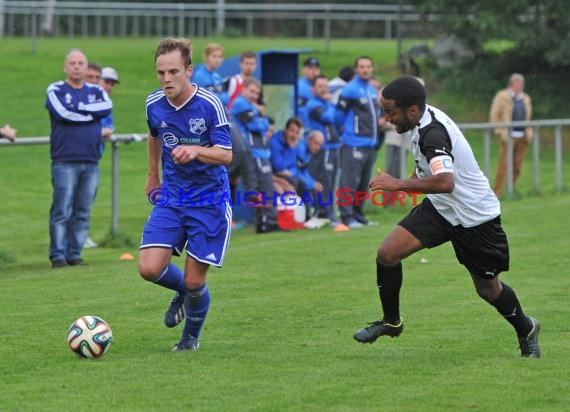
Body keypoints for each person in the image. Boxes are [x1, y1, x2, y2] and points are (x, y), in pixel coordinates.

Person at [353, 76, 541, 358]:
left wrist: (398, 184)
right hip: (442, 208)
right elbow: (432, 174)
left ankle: (526, 328)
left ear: (413, 110)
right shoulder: (420, 121)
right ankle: (391, 322)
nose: (386, 117)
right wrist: (411, 179)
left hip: (475, 218)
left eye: (390, 111)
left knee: (488, 289)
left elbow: (445, 182)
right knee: (388, 254)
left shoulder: (433, 133)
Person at [138, 38, 232, 352]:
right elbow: (154, 136)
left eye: (173, 72)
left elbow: (226, 155)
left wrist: (195, 150)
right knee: (149, 268)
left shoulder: (209, 104)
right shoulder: (153, 104)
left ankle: (190, 338)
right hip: (173, 196)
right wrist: (153, 175)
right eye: (161, 73)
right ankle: (183, 292)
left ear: (189, 70)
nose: (166, 79)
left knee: (195, 281)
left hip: (209, 200)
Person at [45, 49, 112, 268]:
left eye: (80, 63)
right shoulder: (55, 89)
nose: (76, 66)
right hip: (64, 161)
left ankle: (75, 254)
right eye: (72, 63)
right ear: (66, 67)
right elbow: (62, 113)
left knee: (83, 211)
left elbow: (107, 107)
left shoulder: (96, 90)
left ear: (86, 68)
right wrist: (91, 114)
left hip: (91, 161)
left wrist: (79, 108)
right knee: (62, 210)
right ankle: (58, 255)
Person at [335, 56, 381, 228]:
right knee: (349, 181)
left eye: (368, 66)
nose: (365, 69)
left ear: (372, 69)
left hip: (370, 143)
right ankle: (346, 217)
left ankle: (358, 214)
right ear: (356, 69)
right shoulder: (349, 90)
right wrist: (346, 134)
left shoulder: (370, 89)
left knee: (363, 182)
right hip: (354, 142)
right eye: (362, 66)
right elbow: (337, 116)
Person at [231, 77, 279, 233]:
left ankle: (265, 223)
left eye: (257, 93)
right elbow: (256, 125)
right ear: (243, 88)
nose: (254, 95)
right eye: (252, 91)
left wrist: (260, 117)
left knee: (262, 188)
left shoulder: (251, 106)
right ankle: (267, 223)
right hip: (252, 151)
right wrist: (260, 115)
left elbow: (263, 124)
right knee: (265, 187)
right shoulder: (240, 104)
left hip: (257, 150)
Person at [302, 74, 341, 224]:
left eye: (326, 86)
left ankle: (328, 213)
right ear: (313, 89)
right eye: (320, 86)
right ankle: (324, 213)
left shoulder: (325, 104)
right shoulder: (313, 105)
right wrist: (330, 102)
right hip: (322, 149)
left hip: (333, 148)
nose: (325, 90)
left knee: (331, 181)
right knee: (324, 182)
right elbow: (328, 118)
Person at [490, 73, 533, 197]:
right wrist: (499, 131)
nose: (521, 86)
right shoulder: (502, 96)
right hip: (507, 136)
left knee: (517, 166)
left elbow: (528, 116)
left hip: (523, 136)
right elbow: (494, 115)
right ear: (513, 84)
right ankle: (496, 193)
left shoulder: (526, 98)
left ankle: (511, 190)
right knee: (504, 166)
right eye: (519, 84)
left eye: (522, 84)